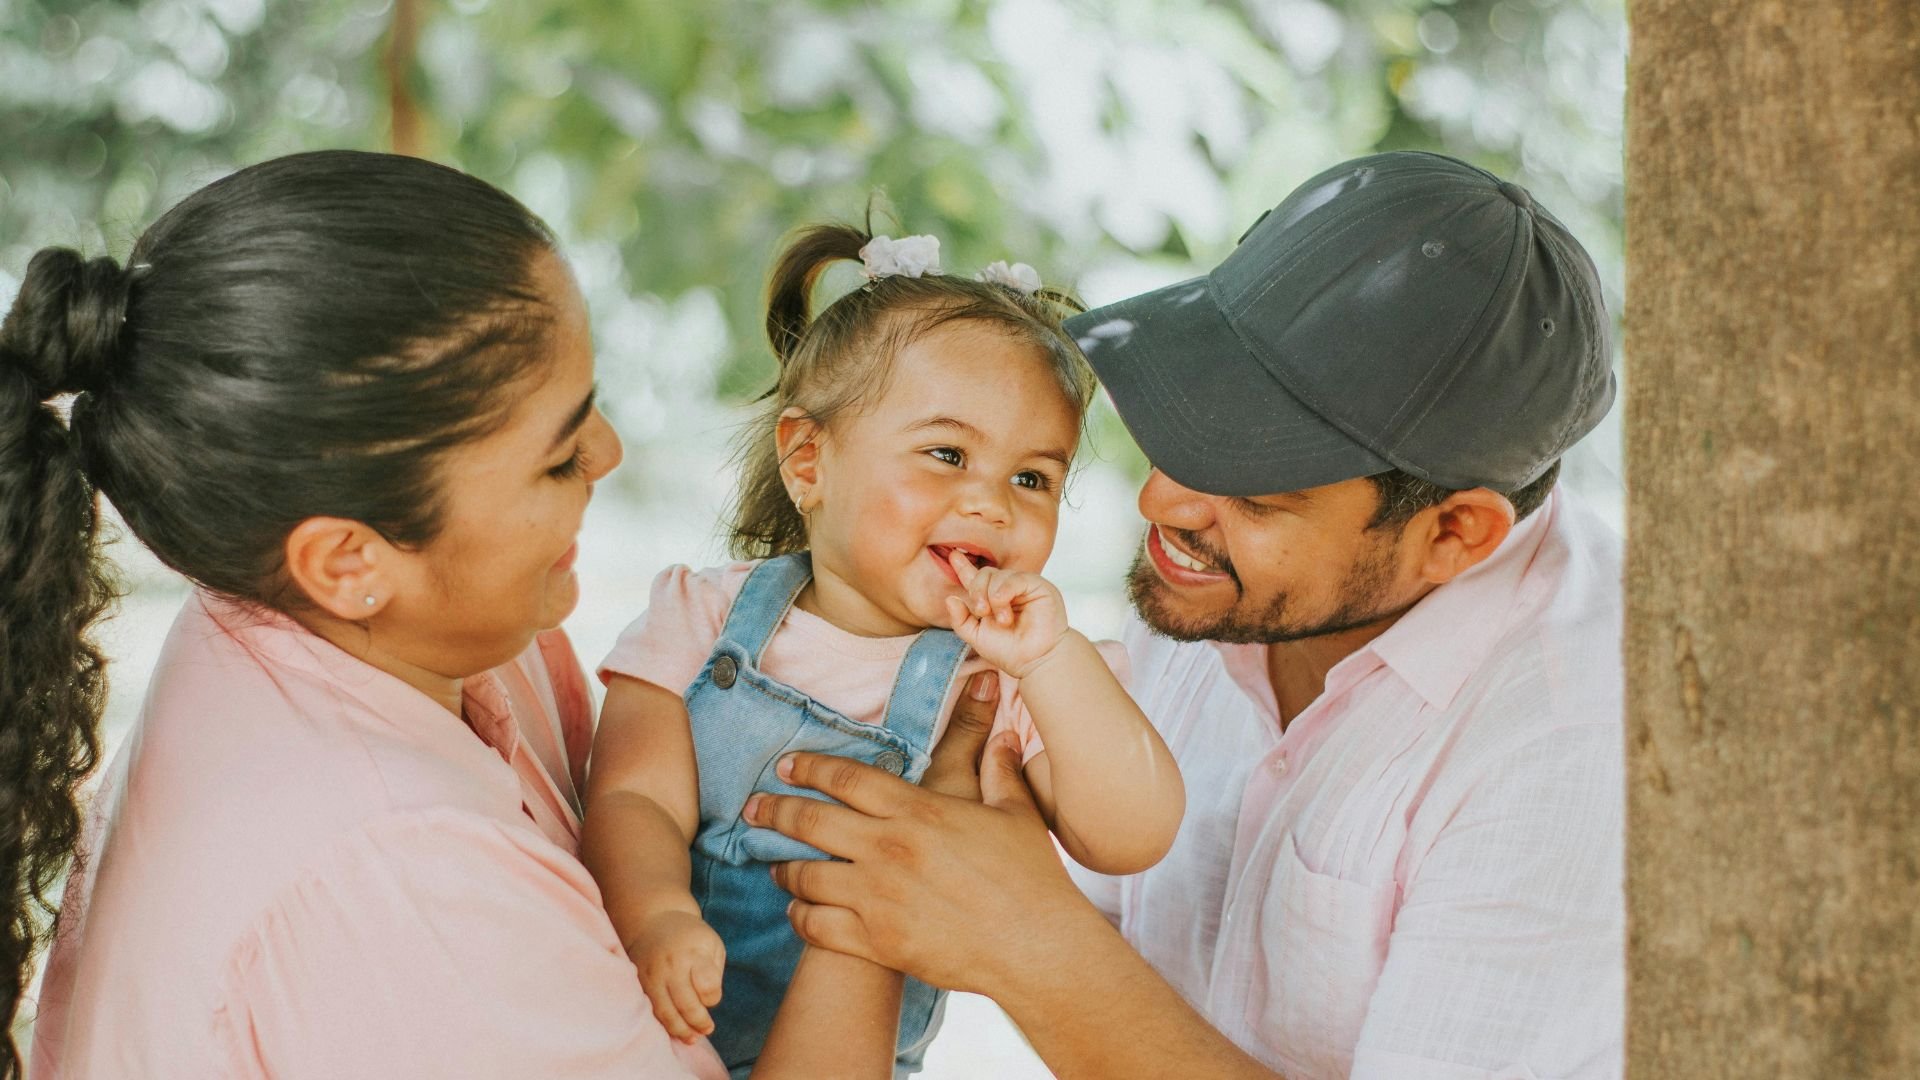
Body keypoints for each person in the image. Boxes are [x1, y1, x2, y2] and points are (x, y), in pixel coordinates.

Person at [6, 151, 905, 1079]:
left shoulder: (373, 619)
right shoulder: (406, 877)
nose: (610, 451)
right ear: (347, 557)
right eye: (558, 458)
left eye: (589, 408)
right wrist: (886, 878)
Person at [748, 151, 1626, 1079]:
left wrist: (1033, 948)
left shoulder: (1575, 749)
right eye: (1190, 423)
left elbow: (1042, 939)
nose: (1162, 501)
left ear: (1452, 533)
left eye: (1256, 484)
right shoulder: (1224, 596)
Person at [581, 225, 1184, 1077]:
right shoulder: (702, 614)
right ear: (808, 460)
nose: (991, 504)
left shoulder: (1004, 681)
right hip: (651, 1028)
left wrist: (1051, 662)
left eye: (1033, 478)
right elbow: (632, 796)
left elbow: (1131, 836)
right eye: (947, 454)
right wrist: (654, 916)